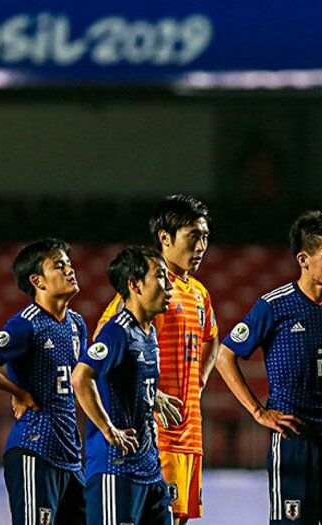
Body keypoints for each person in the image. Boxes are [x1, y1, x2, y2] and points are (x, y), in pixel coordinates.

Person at [216, 210, 322, 524]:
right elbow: (224, 355)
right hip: (295, 440)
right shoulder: (275, 305)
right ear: (304, 259)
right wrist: (258, 412)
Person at [95, 194, 218, 524]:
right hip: (158, 435)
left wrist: (200, 380)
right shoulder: (150, 291)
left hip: (190, 432)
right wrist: (154, 395)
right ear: (165, 237)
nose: (201, 246)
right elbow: (105, 338)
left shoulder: (199, 293)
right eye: (193, 236)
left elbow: (213, 337)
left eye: (205, 236)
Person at [0, 238, 86, 525]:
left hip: (70, 454)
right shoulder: (26, 323)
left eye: (69, 264)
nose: (70, 270)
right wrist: (17, 391)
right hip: (35, 449)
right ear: (37, 281)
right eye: (59, 265)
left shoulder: (77, 324)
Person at [72, 245, 174, 525]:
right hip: (115, 470)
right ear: (135, 285)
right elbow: (81, 377)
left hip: (150, 470)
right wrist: (108, 429)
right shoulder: (117, 332)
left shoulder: (150, 332)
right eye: (161, 277)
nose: (169, 286)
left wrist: (153, 396)